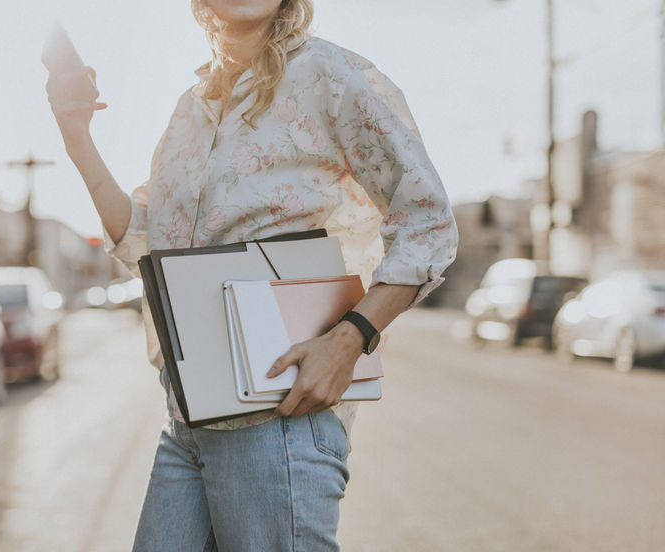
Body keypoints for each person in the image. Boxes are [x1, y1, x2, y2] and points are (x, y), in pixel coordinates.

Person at [46, 1, 458, 549]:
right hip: (188, 422)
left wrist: (349, 339)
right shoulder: (188, 111)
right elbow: (146, 239)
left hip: (278, 422)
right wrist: (77, 137)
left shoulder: (329, 77)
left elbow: (427, 221)